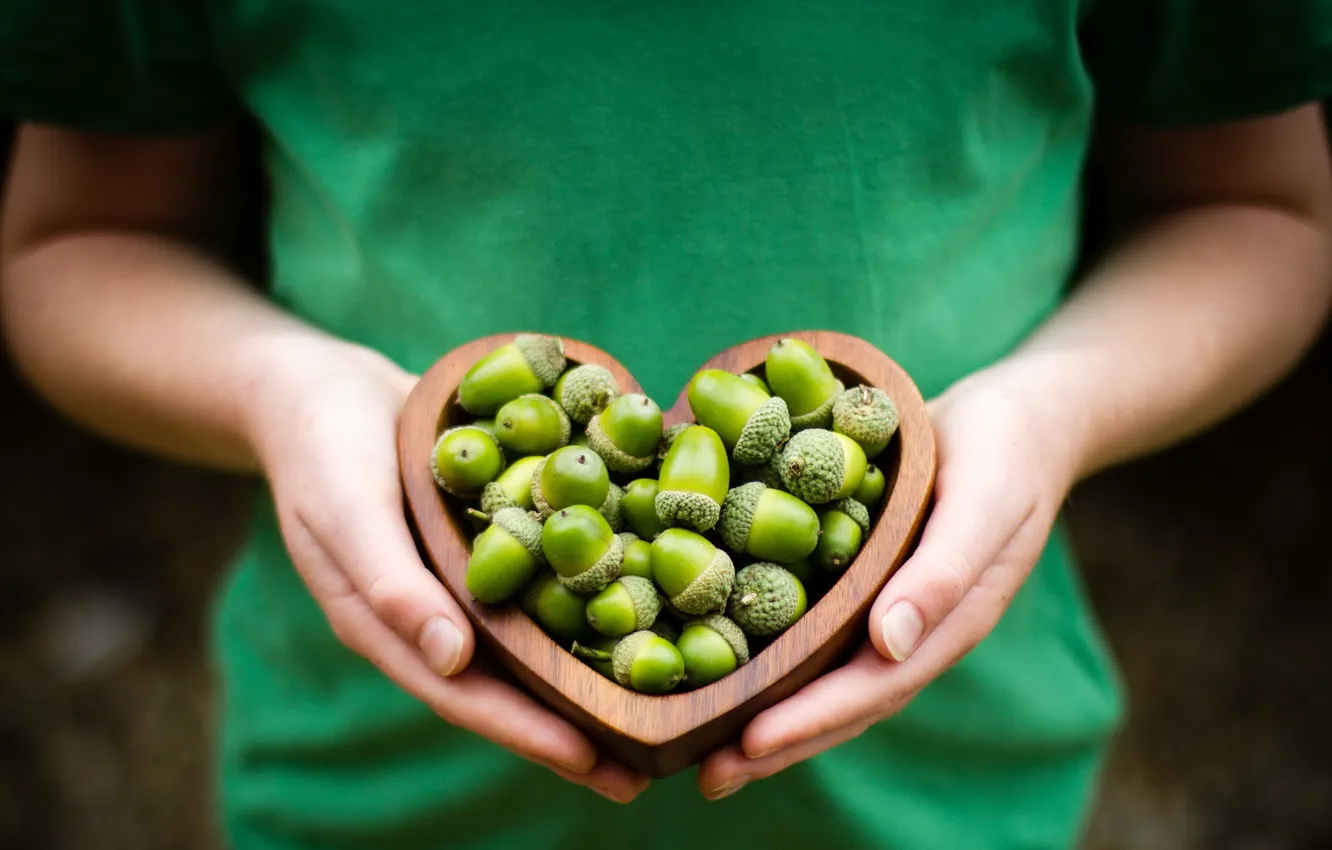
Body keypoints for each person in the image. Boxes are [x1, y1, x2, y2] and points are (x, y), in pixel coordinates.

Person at [2, 2, 1331, 848]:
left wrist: (1054, 410)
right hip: (379, 785)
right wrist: (282, 391)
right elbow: (83, 233)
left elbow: (1259, 208)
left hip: (942, 786)